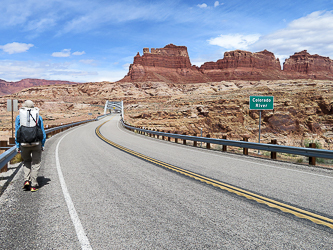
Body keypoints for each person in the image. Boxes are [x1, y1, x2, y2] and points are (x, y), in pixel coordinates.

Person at [15, 100, 46, 192]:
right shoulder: (38, 116)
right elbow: (42, 133)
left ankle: (26, 180)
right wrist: (42, 144)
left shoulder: (19, 117)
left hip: (24, 144)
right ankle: (33, 184)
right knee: (36, 163)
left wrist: (18, 145)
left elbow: (17, 132)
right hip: (36, 144)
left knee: (26, 161)